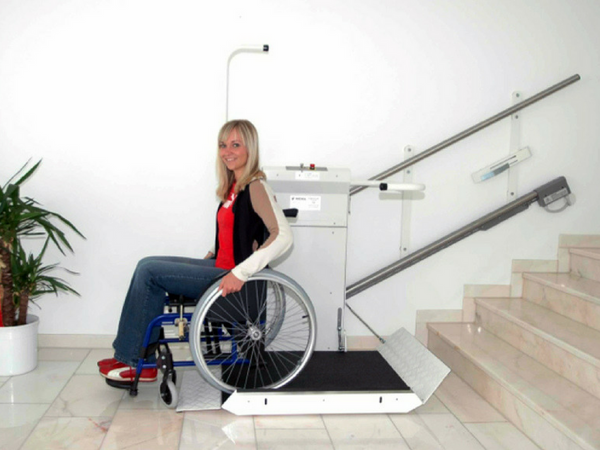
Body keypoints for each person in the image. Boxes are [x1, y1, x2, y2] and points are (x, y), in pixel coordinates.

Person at [98, 120, 293, 385]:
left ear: (251, 149)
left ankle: (136, 361)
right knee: (146, 263)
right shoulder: (234, 187)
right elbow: (235, 231)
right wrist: (213, 252)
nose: (227, 151)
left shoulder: (256, 186)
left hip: (230, 278)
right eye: (223, 145)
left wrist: (241, 272)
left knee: (149, 272)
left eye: (236, 144)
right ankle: (129, 354)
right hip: (219, 265)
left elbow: (282, 237)